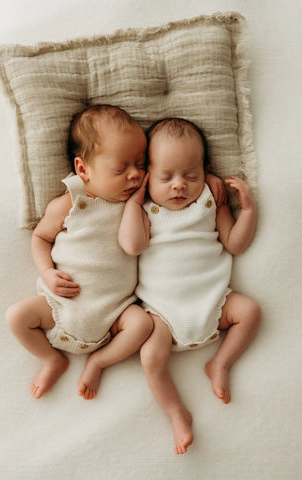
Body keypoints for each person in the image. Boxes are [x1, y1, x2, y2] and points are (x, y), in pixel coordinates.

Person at [118, 117, 261, 455]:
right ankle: (176, 413)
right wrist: (133, 203)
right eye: (166, 177)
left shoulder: (211, 203)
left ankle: (220, 364)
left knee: (251, 311)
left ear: (205, 170)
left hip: (213, 301)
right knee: (151, 356)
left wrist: (249, 210)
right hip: (162, 314)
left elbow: (235, 244)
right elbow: (132, 246)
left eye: (191, 175)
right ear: (148, 175)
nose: (179, 186)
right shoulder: (146, 209)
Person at [5, 104, 154, 400]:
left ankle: (99, 360)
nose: (134, 175)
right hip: (61, 305)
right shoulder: (70, 203)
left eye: (140, 164)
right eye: (120, 168)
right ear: (83, 169)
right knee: (16, 317)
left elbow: (137, 245)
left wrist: (138, 205)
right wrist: (47, 273)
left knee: (142, 324)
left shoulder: (137, 207)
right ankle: (51, 359)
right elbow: (41, 238)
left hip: (115, 312)